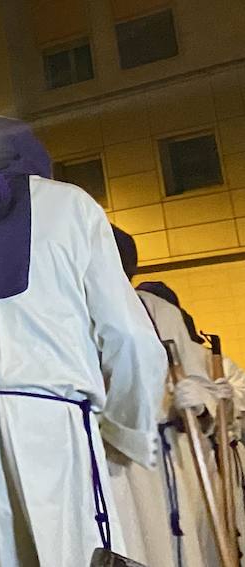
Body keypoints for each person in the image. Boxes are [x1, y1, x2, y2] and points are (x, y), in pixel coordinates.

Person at [0, 116, 165, 565]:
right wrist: (128, 431)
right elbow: (128, 336)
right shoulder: (72, 206)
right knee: (65, 550)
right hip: (52, 416)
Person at [105, 235, 232, 567]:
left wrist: (199, 401)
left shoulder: (156, 309)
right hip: (103, 459)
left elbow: (203, 389)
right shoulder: (67, 308)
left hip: (157, 460)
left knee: (164, 547)